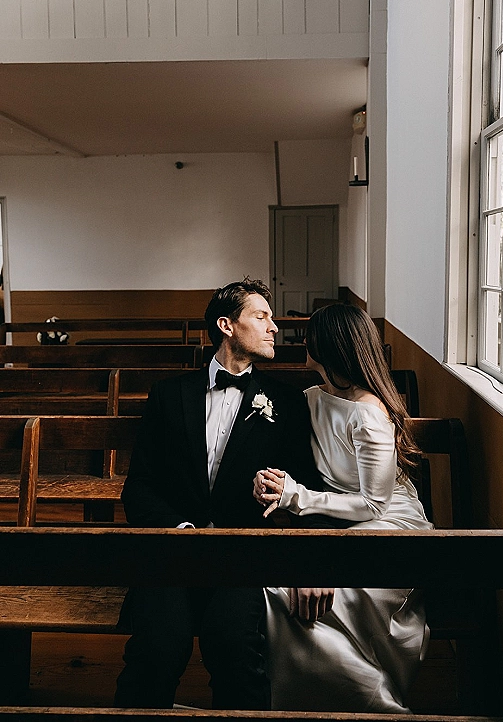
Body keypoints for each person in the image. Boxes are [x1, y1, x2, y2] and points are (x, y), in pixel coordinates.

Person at [114, 278, 334, 710]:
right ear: (227, 325)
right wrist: (179, 530)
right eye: (262, 316)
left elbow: (307, 489)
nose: (274, 327)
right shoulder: (168, 395)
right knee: (157, 650)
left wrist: (309, 561)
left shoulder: (285, 403)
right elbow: (138, 485)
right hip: (173, 553)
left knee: (233, 647)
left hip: (243, 556)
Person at [254, 303, 433, 713]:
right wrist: (267, 478)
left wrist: (296, 496)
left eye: (310, 337)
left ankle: (367, 698)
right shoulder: (312, 397)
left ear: (328, 346)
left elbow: (374, 503)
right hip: (337, 515)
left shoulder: (370, 413)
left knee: (337, 593)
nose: (301, 341)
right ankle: (315, 700)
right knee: (281, 591)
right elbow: (289, 453)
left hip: (387, 521)